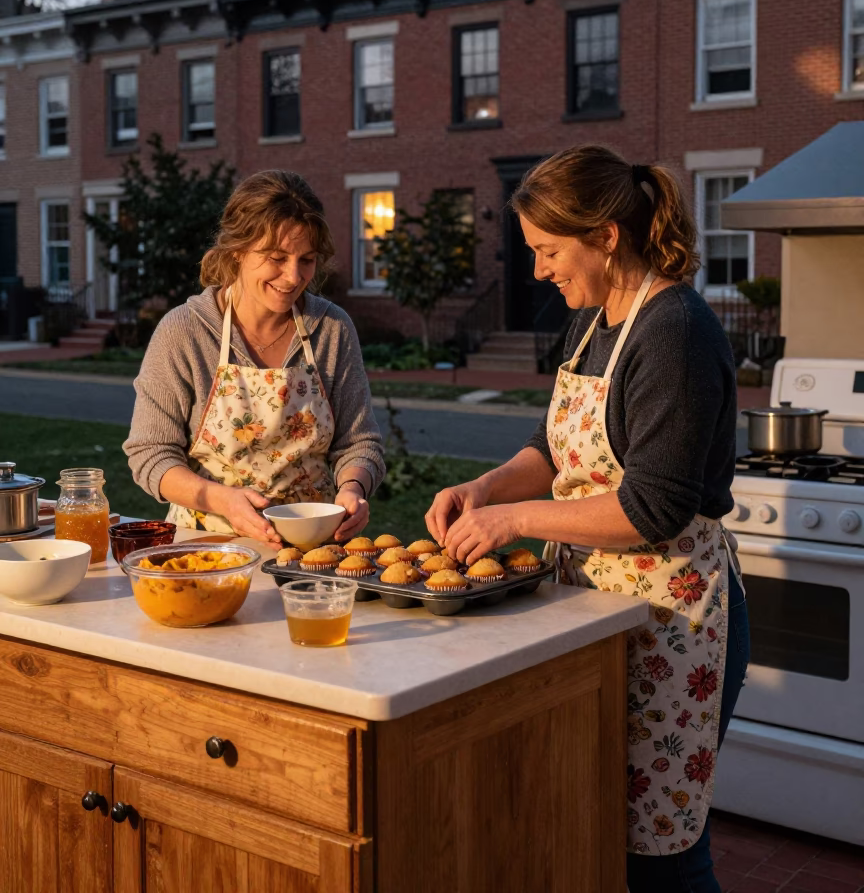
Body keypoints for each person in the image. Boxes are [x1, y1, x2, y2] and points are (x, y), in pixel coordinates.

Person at [426, 145, 749, 893]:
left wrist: (510, 525)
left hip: (673, 618)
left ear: (606, 236)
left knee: (661, 853)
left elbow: (654, 506)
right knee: (598, 827)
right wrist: (487, 489)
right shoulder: (597, 316)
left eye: (548, 250)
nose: (538, 269)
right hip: (596, 612)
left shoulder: (676, 330)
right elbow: (555, 446)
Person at [125, 169, 384, 549]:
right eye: (276, 257)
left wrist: (353, 488)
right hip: (207, 544)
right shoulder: (184, 331)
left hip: (312, 552)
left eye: (307, 260)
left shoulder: (330, 329)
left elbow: (359, 443)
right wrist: (221, 500)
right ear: (237, 251)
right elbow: (150, 454)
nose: (293, 277)